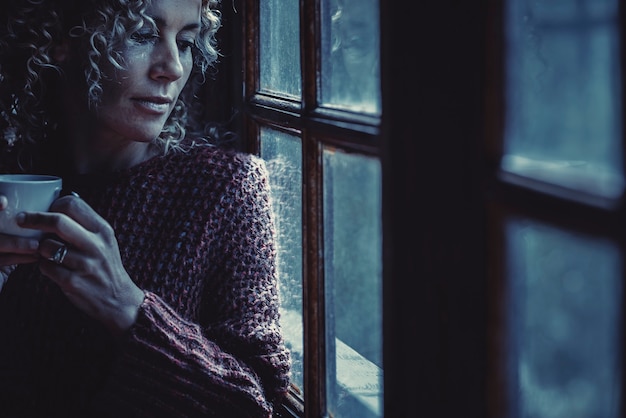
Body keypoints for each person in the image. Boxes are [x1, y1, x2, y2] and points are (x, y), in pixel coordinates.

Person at [0, 0, 291, 416]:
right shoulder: (14, 175)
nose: (172, 67)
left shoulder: (224, 189)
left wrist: (126, 305)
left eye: (187, 42)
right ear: (63, 40)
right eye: (142, 34)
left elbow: (255, 405)